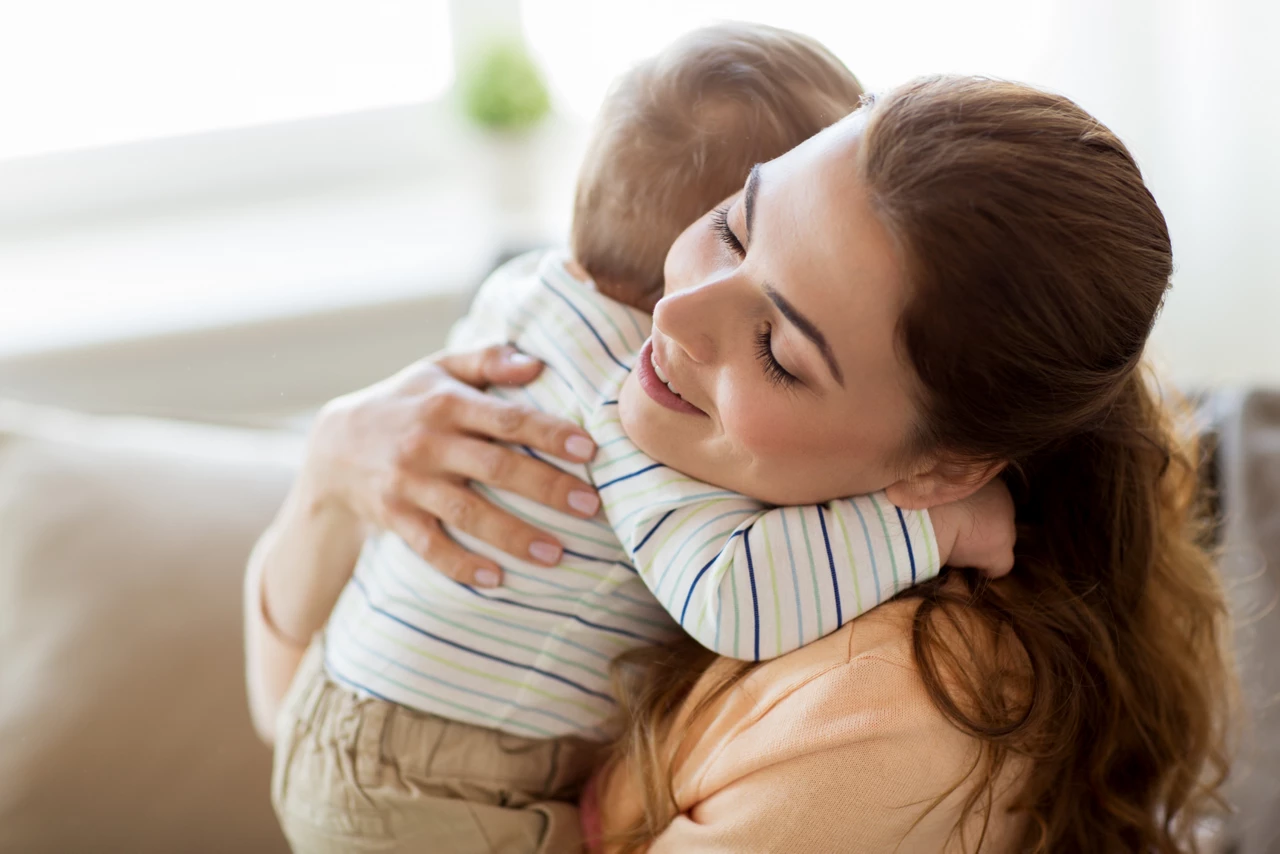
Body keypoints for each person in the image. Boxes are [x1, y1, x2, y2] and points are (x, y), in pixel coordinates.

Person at [247, 66, 1234, 854]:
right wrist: (332, 476)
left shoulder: (886, 705)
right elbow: (297, 725)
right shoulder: (642, 429)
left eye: (778, 348)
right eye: (731, 222)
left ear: (938, 475)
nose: (669, 313)